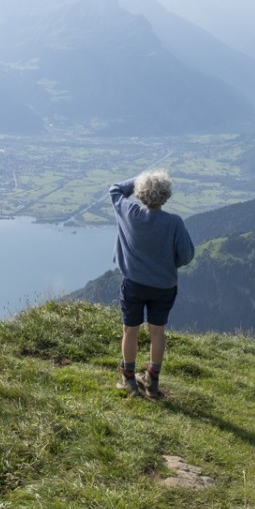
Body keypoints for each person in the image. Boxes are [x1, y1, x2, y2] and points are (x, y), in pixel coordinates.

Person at [109, 170, 194, 399]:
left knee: (130, 330)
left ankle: (128, 379)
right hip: (164, 285)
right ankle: (152, 380)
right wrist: (167, 264)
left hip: (134, 283)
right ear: (166, 195)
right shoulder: (174, 223)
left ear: (141, 193)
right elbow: (186, 256)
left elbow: (115, 190)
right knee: (157, 332)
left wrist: (138, 179)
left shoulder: (129, 212)